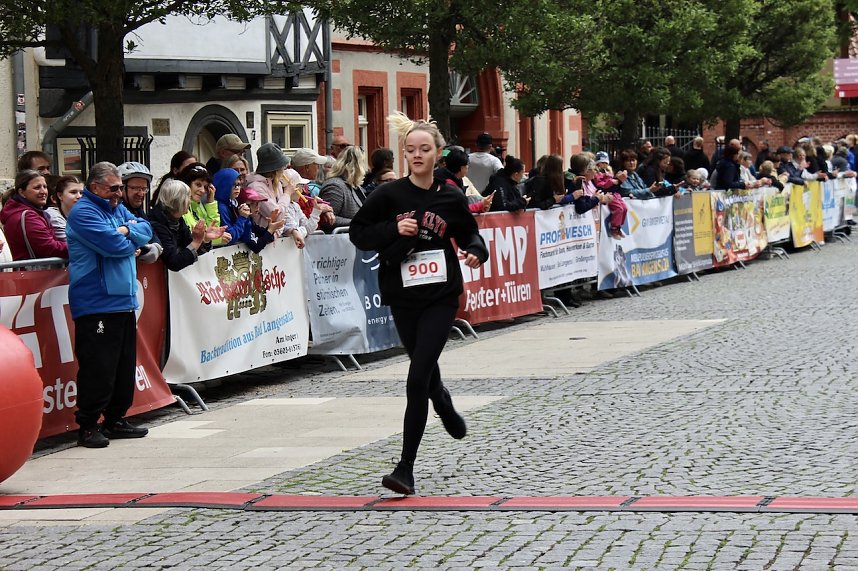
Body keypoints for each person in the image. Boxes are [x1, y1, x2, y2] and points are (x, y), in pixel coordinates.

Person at [349, 111, 489, 495]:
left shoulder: (450, 196)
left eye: (424, 149)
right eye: (410, 150)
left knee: (416, 376)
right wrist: (393, 228)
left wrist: (477, 253)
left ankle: (404, 468)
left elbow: (471, 235)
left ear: (438, 153)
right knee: (424, 368)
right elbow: (359, 234)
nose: (416, 155)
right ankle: (442, 401)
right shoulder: (389, 195)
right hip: (402, 295)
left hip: (441, 296)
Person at [66, 162, 154, 448]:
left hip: (123, 300)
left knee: (122, 366)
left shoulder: (115, 209)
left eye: (120, 187)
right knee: (98, 367)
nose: (119, 192)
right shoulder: (84, 212)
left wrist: (126, 232)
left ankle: (115, 419)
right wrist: (130, 239)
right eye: (114, 187)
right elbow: (112, 247)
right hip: (96, 301)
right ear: (95, 187)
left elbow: (145, 229)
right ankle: (89, 425)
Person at [148, 179, 224, 271]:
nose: (190, 201)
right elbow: (174, 262)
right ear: (177, 200)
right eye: (188, 197)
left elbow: (189, 248)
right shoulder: (157, 224)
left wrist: (204, 239)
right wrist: (196, 242)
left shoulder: (178, 220)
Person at [0, 169, 68, 260]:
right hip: (33, 272)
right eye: (37, 188)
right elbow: (49, 247)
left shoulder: (29, 211)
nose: (43, 191)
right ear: (21, 192)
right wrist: (81, 248)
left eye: (45, 187)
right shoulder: (28, 216)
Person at [245, 142, 300, 243]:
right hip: (262, 240)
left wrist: (292, 230)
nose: (284, 169)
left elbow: (285, 213)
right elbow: (276, 214)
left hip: (274, 240)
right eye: (282, 167)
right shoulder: (255, 187)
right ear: (274, 169)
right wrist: (287, 194)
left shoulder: (276, 183)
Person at [116, 162, 163, 263]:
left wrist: (156, 245)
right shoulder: (116, 209)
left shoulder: (138, 210)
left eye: (144, 189)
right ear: (122, 188)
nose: (141, 193)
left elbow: (150, 232)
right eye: (136, 188)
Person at [177, 163, 231, 246]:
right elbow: (188, 239)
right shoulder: (179, 206)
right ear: (187, 184)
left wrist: (211, 202)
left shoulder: (198, 205)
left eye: (205, 187)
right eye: (198, 185)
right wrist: (215, 240)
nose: (202, 190)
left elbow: (213, 229)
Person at [319, 144, 367, 231]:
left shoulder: (353, 185)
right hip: (339, 241)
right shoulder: (335, 186)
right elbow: (327, 220)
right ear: (358, 165)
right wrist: (358, 222)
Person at [436, 148, 492, 214]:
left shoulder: (457, 180)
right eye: (466, 165)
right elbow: (458, 210)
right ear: (461, 168)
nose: (468, 167)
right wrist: (480, 205)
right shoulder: (449, 187)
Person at [46, 175, 83, 241]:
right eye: (73, 192)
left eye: (81, 193)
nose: (79, 196)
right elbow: (72, 244)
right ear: (60, 195)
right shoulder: (53, 215)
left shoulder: (83, 214)